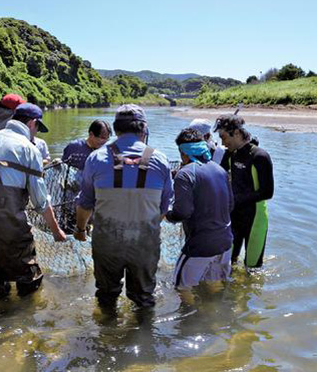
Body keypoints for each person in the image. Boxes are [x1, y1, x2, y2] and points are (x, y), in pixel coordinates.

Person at [74, 105, 173, 308]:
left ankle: (106, 335)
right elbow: (164, 209)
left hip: (107, 242)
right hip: (144, 243)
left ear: (116, 129)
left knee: (106, 296)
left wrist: (81, 229)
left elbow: (85, 204)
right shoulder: (161, 160)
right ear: (144, 130)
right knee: (144, 298)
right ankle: (144, 336)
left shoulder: (96, 158)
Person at [0, 103, 66, 298]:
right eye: (37, 128)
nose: (36, 133)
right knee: (29, 278)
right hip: (6, 220)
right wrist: (56, 231)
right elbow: (40, 202)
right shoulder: (29, 149)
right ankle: (23, 321)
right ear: (32, 123)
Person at [165, 128, 234, 288]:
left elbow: (182, 212)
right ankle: (216, 313)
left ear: (183, 153)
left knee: (181, 287)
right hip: (225, 242)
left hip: (200, 245)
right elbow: (230, 205)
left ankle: (190, 313)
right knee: (214, 285)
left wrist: (167, 214)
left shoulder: (185, 174)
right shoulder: (220, 170)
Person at [214, 115, 274, 268]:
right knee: (227, 264)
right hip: (234, 217)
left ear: (237, 133)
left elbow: (267, 192)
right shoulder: (230, 154)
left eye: (224, 137)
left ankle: (250, 291)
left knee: (252, 269)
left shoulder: (260, 156)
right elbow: (219, 176)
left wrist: (235, 198)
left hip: (255, 219)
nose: (222, 143)